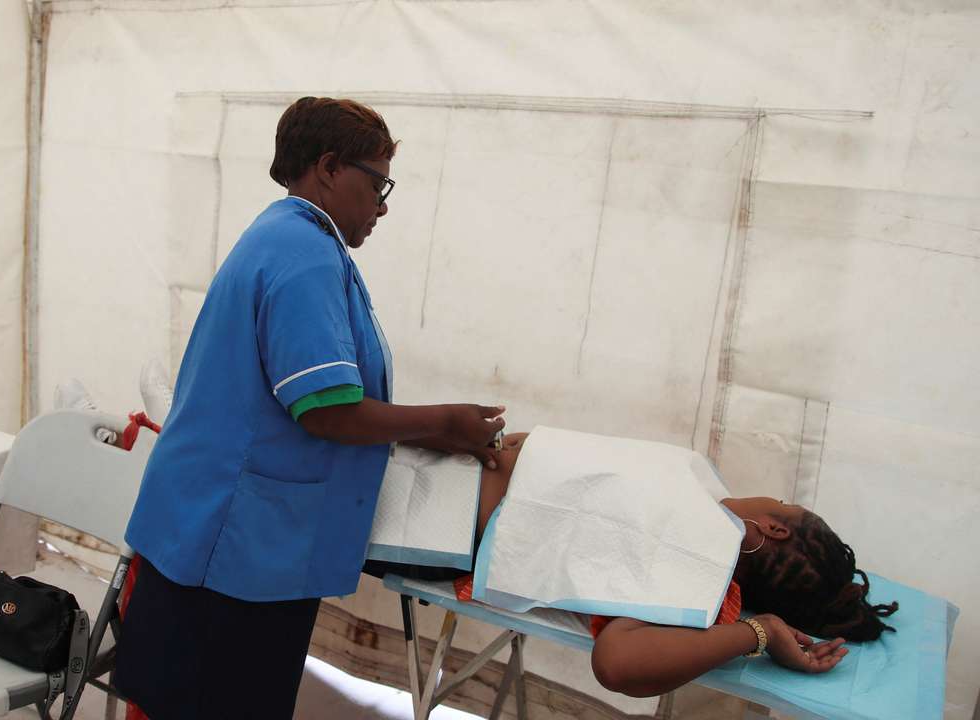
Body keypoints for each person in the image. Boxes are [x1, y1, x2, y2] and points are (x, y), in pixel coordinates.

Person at [114, 97, 506, 720]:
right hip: (234, 552)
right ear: (328, 166)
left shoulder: (284, 238)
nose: (381, 207)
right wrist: (444, 422)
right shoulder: (305, 255)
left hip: (220, 534)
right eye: (377, 184)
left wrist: (428, 431)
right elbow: (326, 410)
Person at [371, 431, 900, 698]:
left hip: (425, 515)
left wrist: (760, 633)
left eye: (785, 503)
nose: (778, 499)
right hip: (445, 454)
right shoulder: (699, 491)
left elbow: (618, 663)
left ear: (775, 528)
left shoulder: (703, 585)